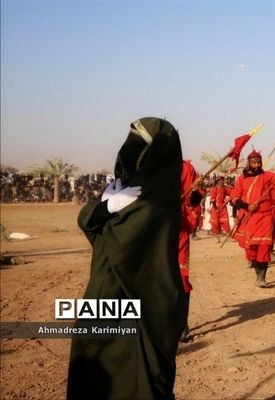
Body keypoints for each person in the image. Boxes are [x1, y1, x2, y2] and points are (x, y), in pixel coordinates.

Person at [67, 117, 186, 399]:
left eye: (139, 143)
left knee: (131, 379)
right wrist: (106, 208)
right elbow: (91, 225)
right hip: (106, 294)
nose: (128, 149)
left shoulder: (152, 197)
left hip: (133, 301)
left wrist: (103, 212)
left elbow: (117, 242)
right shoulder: (129, 188)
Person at [230, 150, 275, 287]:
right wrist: (247, 206)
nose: (257, 164)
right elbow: (234, 198)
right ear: (249, 163)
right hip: (249, 217)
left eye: (259, 162)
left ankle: (261, 279)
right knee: (251, 249)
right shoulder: (241, 179)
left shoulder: (267, 176)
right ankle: (256, 267)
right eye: (254, 162)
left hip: (265, 216)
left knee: (264, 247)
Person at [179, 160, 203, 342]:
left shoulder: (186, 168)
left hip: (178, 233)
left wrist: (194, 191)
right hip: (153, 233)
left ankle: (181, 324)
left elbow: (193, 201)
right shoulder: (147, 164)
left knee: (181, 279)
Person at [209, 176, 231, 242]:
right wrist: (216, 208)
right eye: (222, 180)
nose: (223, 182)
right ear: (218, 181)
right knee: (215, 224)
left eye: (223, 180)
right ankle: (217, 238)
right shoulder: (214, 189)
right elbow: (213, 200)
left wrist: (229, 199)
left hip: (223, 207)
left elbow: (231, 193)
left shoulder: (225, 188)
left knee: (226, 222)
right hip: (216, 207)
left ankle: (228, 237)